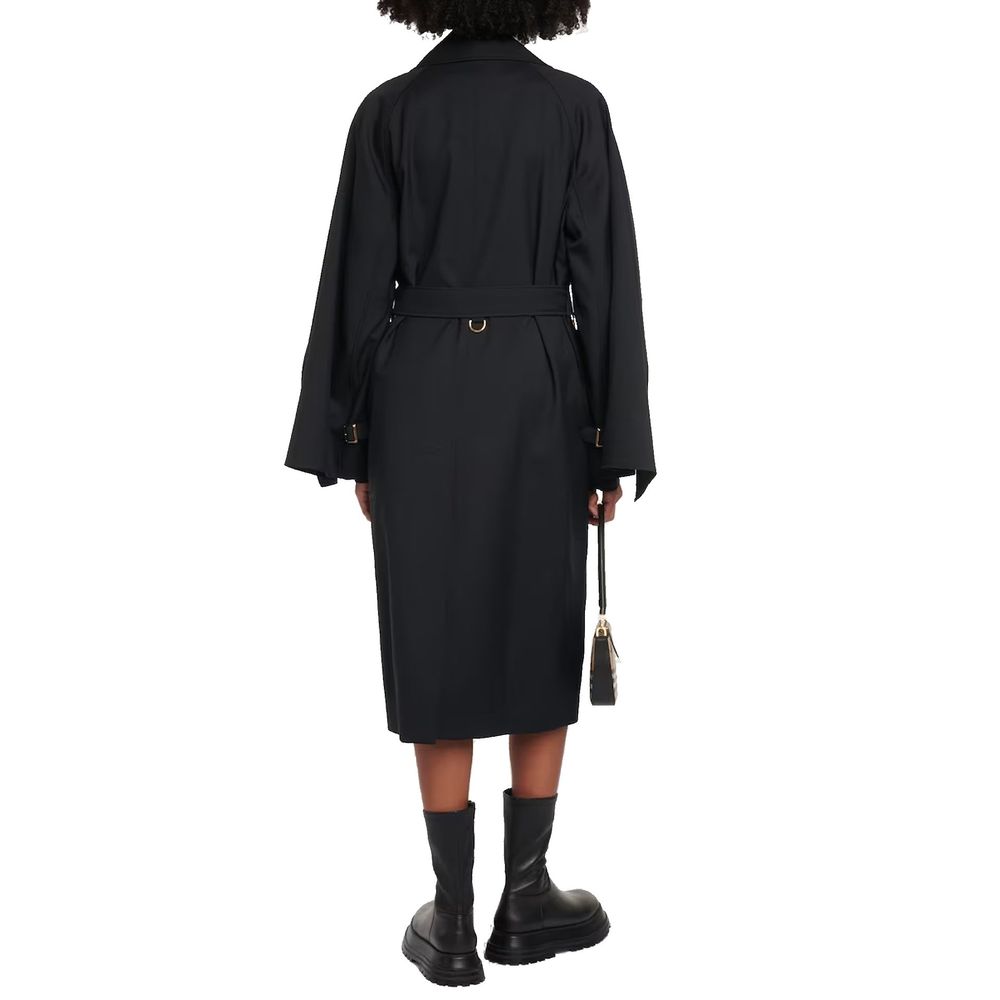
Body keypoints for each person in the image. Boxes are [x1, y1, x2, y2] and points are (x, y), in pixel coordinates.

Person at [284, 0, 655, 986]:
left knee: (434, 627)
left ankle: (450, 916)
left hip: (418, 392)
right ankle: (525, 898)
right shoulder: (573, 109)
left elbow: (354, 287)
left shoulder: (390, 111)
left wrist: (350, 438)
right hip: (542, 386)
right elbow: (606, 283)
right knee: (539, 614)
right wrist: (612, 444)